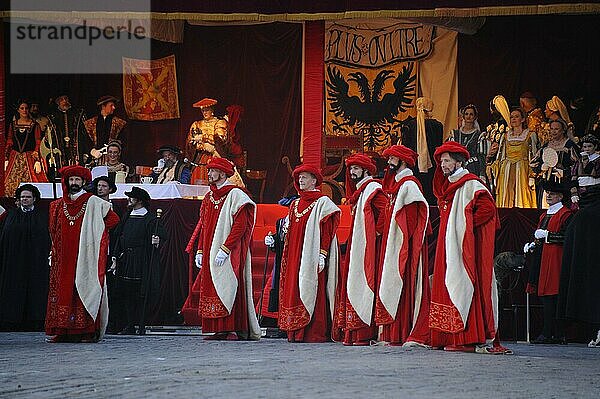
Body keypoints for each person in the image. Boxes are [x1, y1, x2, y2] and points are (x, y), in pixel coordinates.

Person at [429, 141, 502, 353]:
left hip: (462, 246)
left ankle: (466, 337)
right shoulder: (448, 185)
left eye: (446, 160)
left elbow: (488, 210)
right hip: (448, 245)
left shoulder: (471, 184)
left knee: (462, 284)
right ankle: (447, 336)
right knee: (447, 284)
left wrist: (464, 229)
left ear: (458, 161)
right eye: (441, 161)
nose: (442, 165)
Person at [45, 165, 119, 343]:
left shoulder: (93, 201)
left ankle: (85, 331)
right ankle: (63, 331)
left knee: (84, 289)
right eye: (71, 180)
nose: (74, 183)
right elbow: (54, 231)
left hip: (85, 256)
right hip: (63, 257)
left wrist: (94, 235)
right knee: (63, 291)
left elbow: (113, 219)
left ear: (84, 182)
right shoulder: (58, 205)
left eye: (77, 180)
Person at [189, 157, 261, 340]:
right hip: (210, 251)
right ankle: (218, 329)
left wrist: (226, 248)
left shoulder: (236, 195)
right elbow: (204, 225)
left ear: (222, 173)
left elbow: (241, 225)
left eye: (213, 171)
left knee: (229, 284)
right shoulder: (208, 197)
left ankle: (232, 328)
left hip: (230, 251)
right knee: (213, 286)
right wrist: (200, 250)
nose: (209, 174)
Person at [375, 145, 431, 347]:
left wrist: (403, 247)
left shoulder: (410, 186)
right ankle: (392, 333)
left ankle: (405, 331)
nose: (388, 162)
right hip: (392, 245)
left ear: (404, 162)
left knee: (404, 285)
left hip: (403, 246)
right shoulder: (395, 186)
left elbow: (414, 220)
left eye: (392, 158)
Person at [279, 165, 340, 343]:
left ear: (314, 180)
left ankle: (313, 332)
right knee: (294, 288)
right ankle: (295, 331)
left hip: (311, 255)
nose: (300, 181)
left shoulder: (323, 202)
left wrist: (322, 254)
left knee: (312, 287)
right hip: (294, 255)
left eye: (304, 177)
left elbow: (328, 231)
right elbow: (289, 229)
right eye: (299, 178)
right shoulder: (295, 203)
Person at [334, 154, 386, 346]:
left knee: (365, 283)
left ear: (366, 170)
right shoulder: (360, 192)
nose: (352, 172)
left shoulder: (373, 189)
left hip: (368, 249)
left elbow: (385, 211)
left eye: (356, 168)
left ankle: (364, 332)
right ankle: (353, 332)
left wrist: (376, 234)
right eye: (351, 169)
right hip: (357, 246)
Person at [111, 187, 165, 335]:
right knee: (127, 292)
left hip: (142, 260)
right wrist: (116, 255)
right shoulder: (127, 215)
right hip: (126, 259)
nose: (129, 200)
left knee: (141, 293)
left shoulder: (151, 219)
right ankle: (129, 325)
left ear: (139, 200)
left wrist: (156, 240)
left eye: (132, 198)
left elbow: (161, 237)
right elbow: (120, 235)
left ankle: (141, 324)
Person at [524, 181, 573, 344]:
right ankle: (548, 332)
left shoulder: (566, 214)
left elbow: (568, 238)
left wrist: (548, 236)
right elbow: (539, 236)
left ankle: (556, 333)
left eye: (552, 193)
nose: (548, 195)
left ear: (560, 196)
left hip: (556, 260)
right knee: (546, 297)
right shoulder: (544, 215)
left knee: (554, 296)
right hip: (543, 259)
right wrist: (533, 244)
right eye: (547, 193)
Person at [0, 184, 50, 331]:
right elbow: (5, 237)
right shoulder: (12, 215)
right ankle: (12, 321)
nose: (25, 199)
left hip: (36, 261)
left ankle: (36, 320)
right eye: (22, 197)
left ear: (34, 198)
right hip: (14, 261)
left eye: (28, 197)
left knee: (37, 289)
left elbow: (46, 238)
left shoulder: (42, 216)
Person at [261, 195, 298, 324]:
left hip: (296, 261)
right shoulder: (281, 222)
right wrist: (272, 242)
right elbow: (279, 242)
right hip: (282, 262)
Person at [399, 97, 444, 203]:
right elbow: (439, 146)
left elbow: (405, 148)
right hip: (432, 166)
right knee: (430, 194)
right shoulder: (437, 126)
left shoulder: (408, 125)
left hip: (413, 166)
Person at [491, 108, 538, 208]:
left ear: (522, 119)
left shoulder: (530, 135)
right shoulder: (505, 136)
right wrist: (497, 173)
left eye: (516, 117)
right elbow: (501, 156)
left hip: (523, 170)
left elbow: (533, 156)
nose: (513, 119)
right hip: (506, 170)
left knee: (522, 196)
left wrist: (532, 175)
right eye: (512, 117)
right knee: (506, 197)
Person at [530, 119, 580, 208]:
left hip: (563, 185)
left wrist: (564, 172)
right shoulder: (546, 146)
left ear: (563, 130)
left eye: (556, 129)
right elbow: (534, 162)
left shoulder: (569, 145)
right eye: (551, 129)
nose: (553, 132)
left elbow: (578, 165)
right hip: (547, 184)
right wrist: (541, 167)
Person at [4, 100, 48, 197]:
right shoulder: (13, 124)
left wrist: (37, 160)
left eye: (26, 108)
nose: (24, 110)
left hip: (29, 156)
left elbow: (38, 142)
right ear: (18, 110)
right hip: (14, 156)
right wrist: (6, 158)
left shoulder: (35, 125)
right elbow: (10, 141)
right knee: (8, 185)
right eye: (22, 108)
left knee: (32, 183)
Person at [187, 98, 229, 184]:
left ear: (212, 110)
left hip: (215, 156)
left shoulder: (220, 122)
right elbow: (190, 141)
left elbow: (220, 139)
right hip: (200, 158)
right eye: (203, 110)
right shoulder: (197, 124)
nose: (205, 113)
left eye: (207, 110)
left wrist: (204, 137)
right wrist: (193, 143)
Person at [447, 104, 487, 179]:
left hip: (473, 168)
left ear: (475, 117)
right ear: (463, 116)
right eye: (466, 114)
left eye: (471, 114)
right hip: (456, 168)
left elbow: (481, 157)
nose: (468, 116)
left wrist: (482, 174)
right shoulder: (455, 134)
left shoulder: (479, 135)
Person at [84, 95, 126, 163]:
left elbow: (122, 141)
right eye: (111, 105)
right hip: (95, 159)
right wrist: (92, 151)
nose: (114, 108)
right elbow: (86, 141)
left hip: (112, 160)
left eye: (114, 105)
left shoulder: (119, 123)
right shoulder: (90, 123)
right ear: (103, 106)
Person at [48, 94, 88, 167]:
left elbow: (84, 134)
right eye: (61, 100)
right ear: (57, 102)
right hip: (60, 151)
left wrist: (86, 152)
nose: (64, 101)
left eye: (66, 99)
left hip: (76, 150)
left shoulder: (77, 114)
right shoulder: (53, 117)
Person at [570, 134, 600, 207]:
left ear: (595, 146)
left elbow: (593, 173)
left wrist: (586, 161)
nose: (587, 149)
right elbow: (574, 177)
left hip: (596, 191)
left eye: (590, 146)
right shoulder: (579, 161)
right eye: (585, 147)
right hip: (582, 193)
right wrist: (574, 193)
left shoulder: (598, 160)